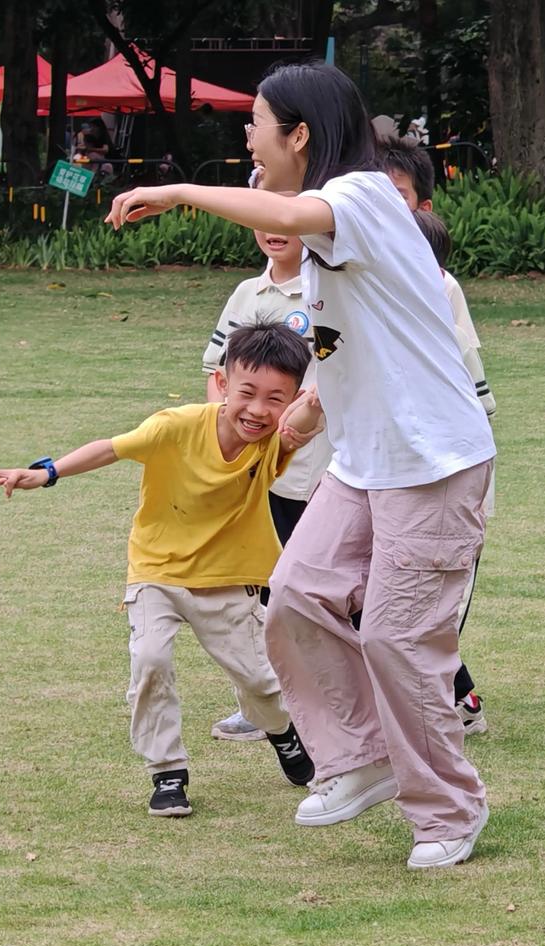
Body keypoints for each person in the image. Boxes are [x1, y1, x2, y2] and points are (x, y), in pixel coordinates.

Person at [105, 60, 496, 870]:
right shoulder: (324, 244)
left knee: (398, 636)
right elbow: (346, 339)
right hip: (363, 461)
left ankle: (449, 809)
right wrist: (305, 407)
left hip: (434, 462)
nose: (247, 137)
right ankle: (360, 759)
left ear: (300, 135)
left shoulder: (358, 198)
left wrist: (178, 193)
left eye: (255, 123)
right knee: (294, 595)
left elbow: (289, 209)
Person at [0, 323, 325, 817]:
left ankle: (283, 735)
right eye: (247, 392)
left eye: (276, 398)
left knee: (259, 682)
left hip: (230, 577)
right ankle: (167, 772)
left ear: (291, 399)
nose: (257, 410)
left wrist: (320, 393)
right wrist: (46, 472)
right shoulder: (176, 425)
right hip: (157, 570)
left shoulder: (273, 442)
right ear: (223, 384)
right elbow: (113, 447)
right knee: (150, 662)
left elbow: (304, 424)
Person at [377, 133, 495, 735]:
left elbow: (472, 392)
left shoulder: (437, 285)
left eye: (397, 197)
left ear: (424, 208)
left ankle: (452, 699)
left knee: (422, 599)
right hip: (375, 465)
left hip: (443, 466)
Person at [200, 226, 333, 742]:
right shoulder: (247, 294)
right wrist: (220, 451)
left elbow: (335, 377)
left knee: (317, 593)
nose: (274, 230)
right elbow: (216, 377)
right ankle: (264, 703)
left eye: (286, 214)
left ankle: (331, 705)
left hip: (317, 471)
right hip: (254, 478)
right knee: (255, 591)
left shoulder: (326, 292)